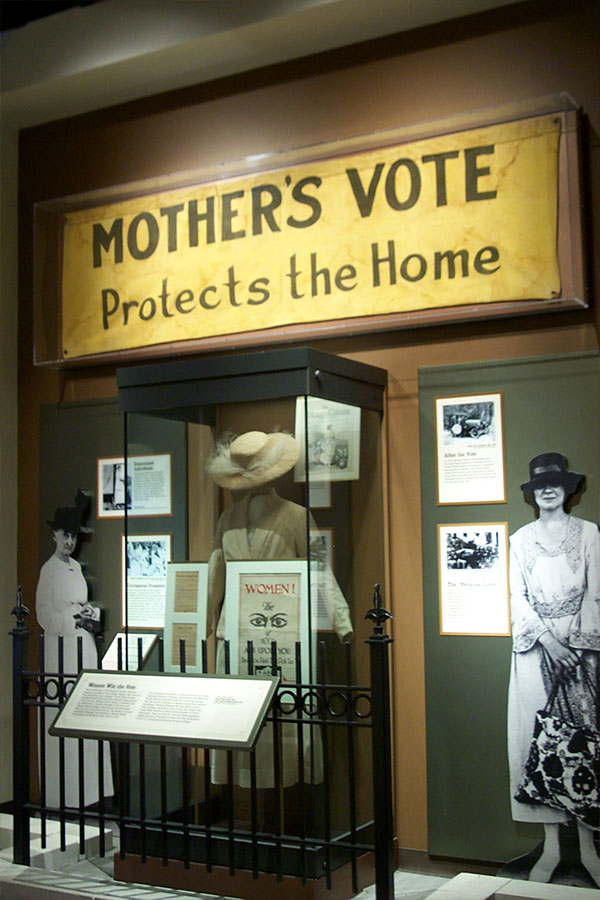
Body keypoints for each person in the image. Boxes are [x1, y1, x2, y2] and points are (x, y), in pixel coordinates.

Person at [205, 430, 353, 789]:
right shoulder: (228, 518)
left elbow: (319, 568)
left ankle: (286, 785)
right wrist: (206, 622)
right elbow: (216, 574)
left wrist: (342, 621)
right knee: (239, 714)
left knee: (285, 718)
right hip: (237, 635)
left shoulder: (296, 516)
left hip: (282, 633)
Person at [507, 453, 599, 885]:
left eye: (557, 483)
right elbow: (517, 596)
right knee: (536, 740)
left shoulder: (590, 534)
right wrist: (545, 640)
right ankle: (549, 848)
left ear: (568, 489)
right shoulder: (520, 540)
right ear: (532, 492)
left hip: (582, 652)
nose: (548, 489)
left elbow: (596, 592)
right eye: (541, 484)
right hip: (535, 651)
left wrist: (577, 646)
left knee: (582, 742)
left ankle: (586, 849)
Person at [36, 490, 113, 808]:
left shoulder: (77, 569)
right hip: (62, 650)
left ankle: (91, 792)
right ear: (55, 534)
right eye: (65, 535)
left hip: (84, 647)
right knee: (63, 714)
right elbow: (44, 616)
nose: (70, 542)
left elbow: (83, 603)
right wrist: (73, 620)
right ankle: (63, 795)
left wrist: (91, 614)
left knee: (87, 713)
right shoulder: (48, 571)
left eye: (74, 537)